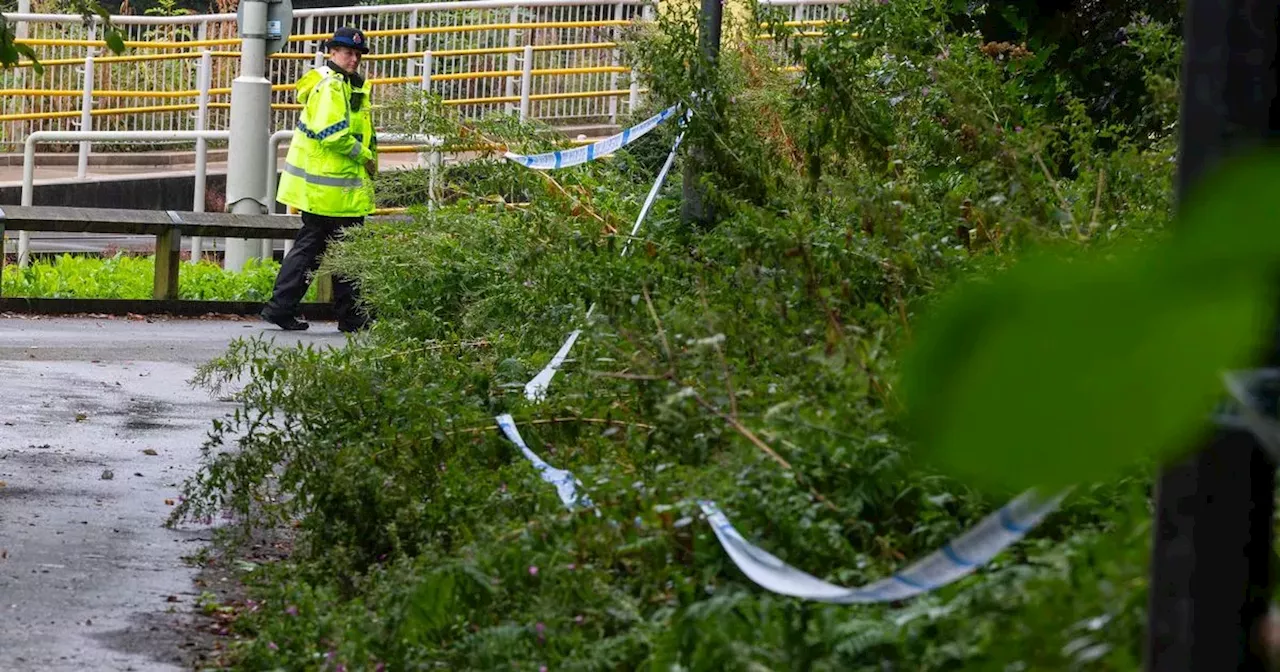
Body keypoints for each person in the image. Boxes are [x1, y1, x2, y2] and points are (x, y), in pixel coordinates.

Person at [261, 26, 377, 332]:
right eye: (348, 53)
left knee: (316, 251)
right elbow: (333, 134)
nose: (354, 59)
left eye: (357, 54)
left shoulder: (344, 84)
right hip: (331, 188)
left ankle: (284, 307)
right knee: (339, 252)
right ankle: (348, 316)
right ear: (333, 52)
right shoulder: (331, 87)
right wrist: (364, 155)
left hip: (332, 189)